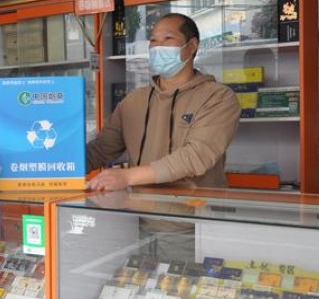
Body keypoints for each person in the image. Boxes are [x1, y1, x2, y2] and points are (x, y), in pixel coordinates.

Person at [87, 12, 241, 191]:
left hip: (195, 206)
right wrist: (62, 162)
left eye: (168, 38)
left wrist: (127, 176)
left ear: (192, 46)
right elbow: (101, 149)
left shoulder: (217, 97)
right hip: (142, 206)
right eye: (153, 40)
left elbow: (196, 156)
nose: (158, 46)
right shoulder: (134, 101)